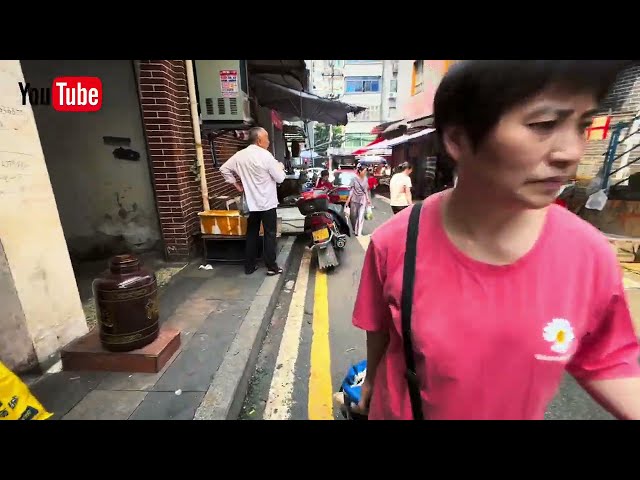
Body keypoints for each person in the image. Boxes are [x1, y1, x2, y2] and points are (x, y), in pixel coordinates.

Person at [352, 60, 640, 420]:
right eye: (544, 125)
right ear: (458, 139)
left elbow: (612, 359)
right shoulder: (394, 242)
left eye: (583, 125)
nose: (571, 152)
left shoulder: (590, 255)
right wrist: (370, 382)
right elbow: (379, 330)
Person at [220, 127, 285, 276]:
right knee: (270, 233)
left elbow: (224, 169)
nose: (268, 141)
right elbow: (280, 178)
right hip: (267, 203)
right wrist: (280, 167)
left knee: (251, 233)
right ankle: (271, 267)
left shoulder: (239, 155)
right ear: (259, 140)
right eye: (267, 138)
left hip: (251, 203)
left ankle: (249, 266)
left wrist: (236, 185)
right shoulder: (266, 156)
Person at [346, 165, 370, 237]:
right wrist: (348, 200)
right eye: (364, 171)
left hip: (363, 199)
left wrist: (368, 198)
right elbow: (351, 190)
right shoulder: (354, 179)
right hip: (354, 199)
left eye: (366, 171)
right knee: (354, 216)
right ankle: (355, 229)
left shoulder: (366, 179)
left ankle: (359, 232)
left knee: (361, 216)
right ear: (360, 171)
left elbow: (366, 190)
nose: (365, 173)